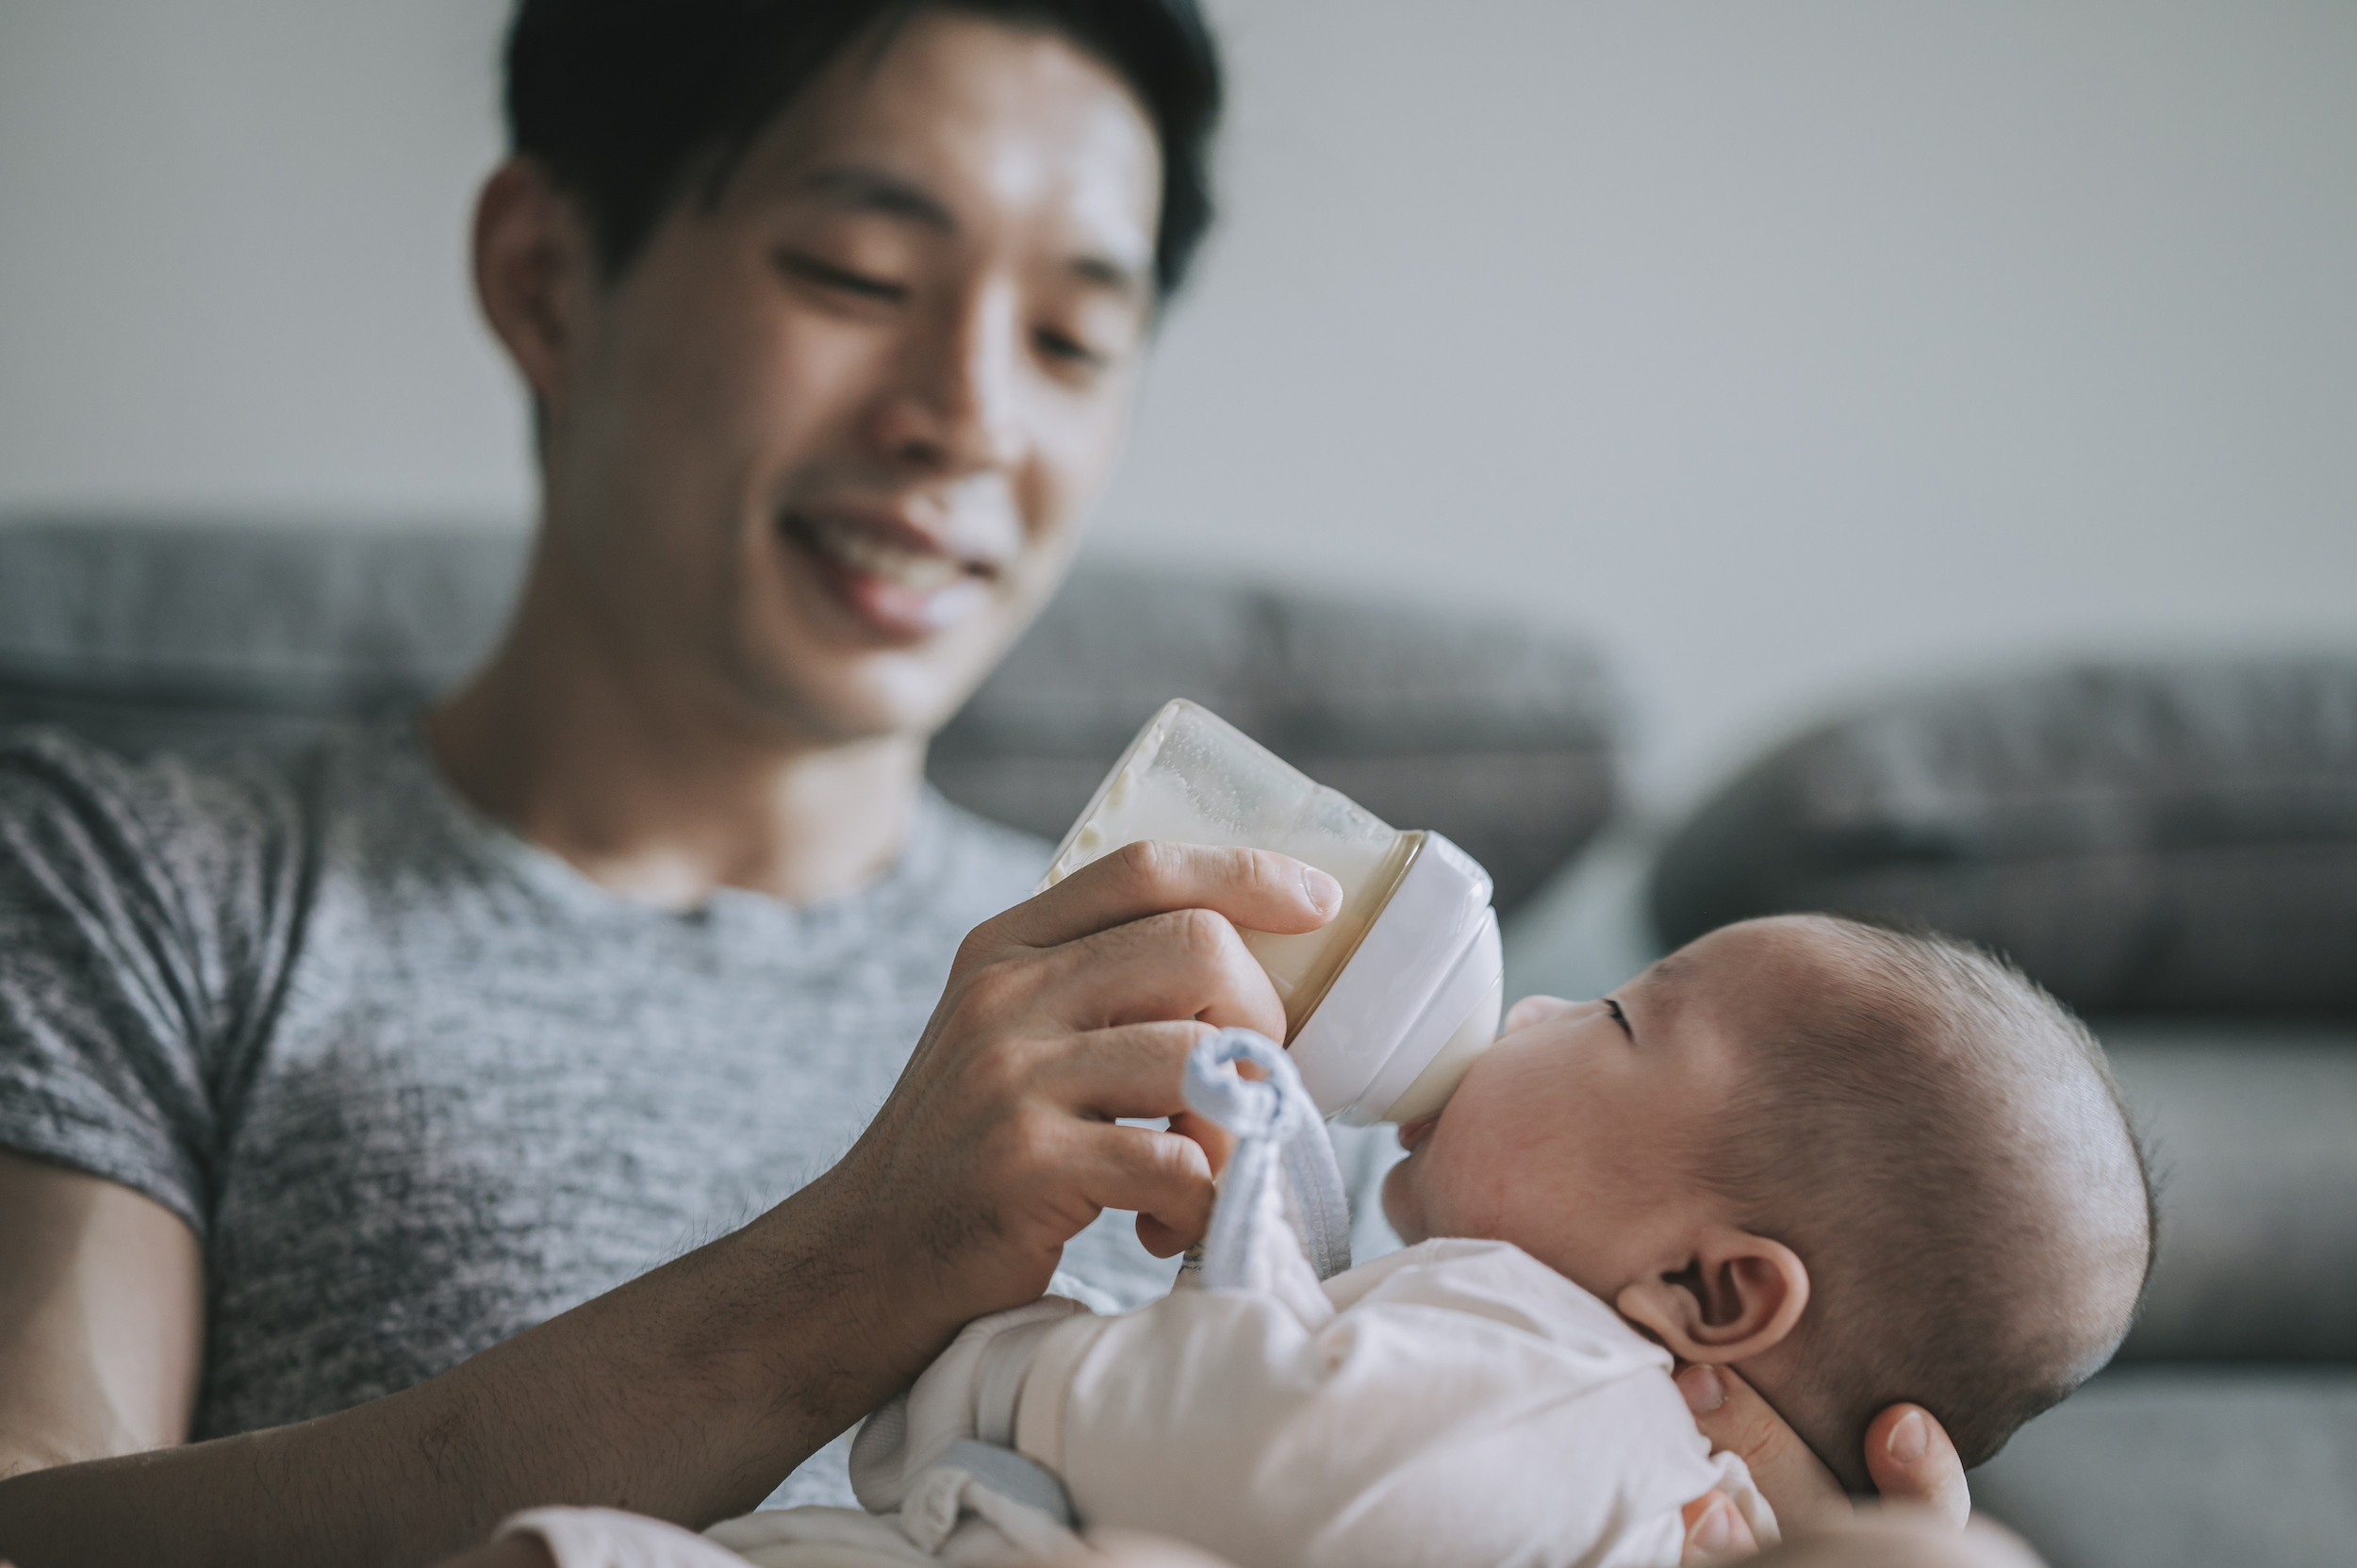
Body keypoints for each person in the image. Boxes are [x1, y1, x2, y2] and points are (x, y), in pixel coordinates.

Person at [0, 5, 1971, 1565]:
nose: (965, 417)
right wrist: (852, 1265)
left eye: (1066, 332)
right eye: (858, 272)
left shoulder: (1263, 1012)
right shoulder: (144, 885)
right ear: (545, 274)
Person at [468, 915, 2147, 1567]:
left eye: (1623, 1019)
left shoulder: (1565, 1378)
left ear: (1708, 1291)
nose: (1544, 1002)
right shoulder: (1548, 1388)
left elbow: (1276, 1469)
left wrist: (1016, 1364)